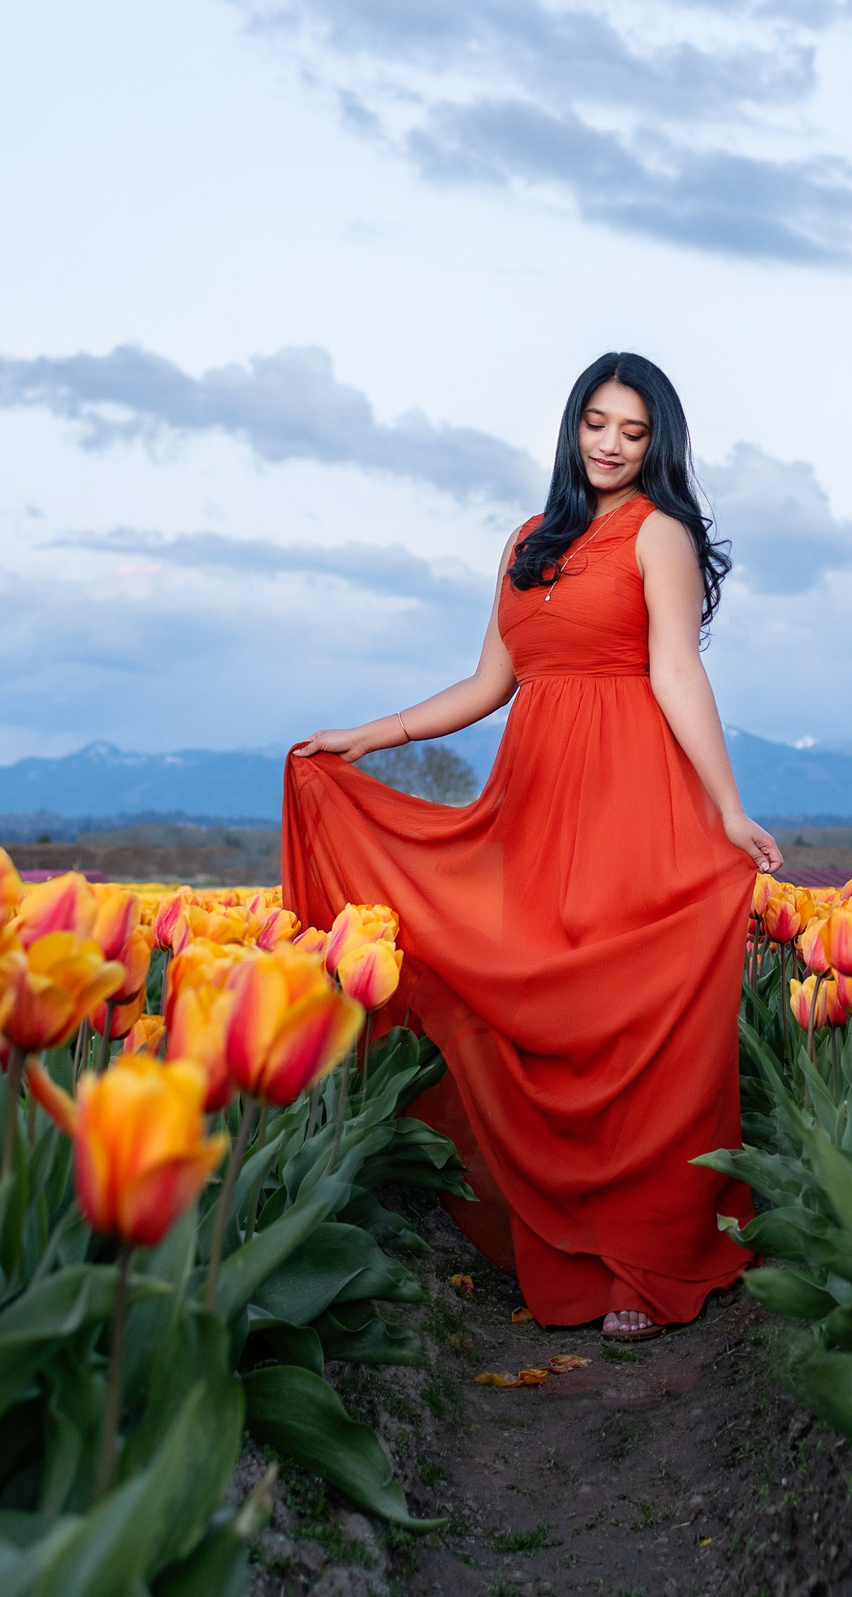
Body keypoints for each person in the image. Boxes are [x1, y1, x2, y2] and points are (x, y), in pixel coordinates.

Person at [284, 353, 781, 1340]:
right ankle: (560, 1247)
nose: (608, 444)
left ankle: (641, 1269)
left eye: (631, 432)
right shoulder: (525, 541)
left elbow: (677, 674)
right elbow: (486, 685)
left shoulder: (660, 537)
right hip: (535, 809)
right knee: (542, 1016)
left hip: (637, 801)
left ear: (656, 445)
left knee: (623, 1028)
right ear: (571, 427)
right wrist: (369, 736)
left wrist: (727, 808)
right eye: (595, 423)